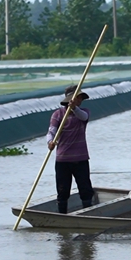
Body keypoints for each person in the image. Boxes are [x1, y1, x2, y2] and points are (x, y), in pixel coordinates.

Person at [48, 85, 94, 214]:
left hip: (81, 158)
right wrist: (50, 142)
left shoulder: (84, 112)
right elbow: (51, 131)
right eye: (78, 97)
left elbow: (83, 117)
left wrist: (74, 108)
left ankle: (88, 213)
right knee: (63, 190)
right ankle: (62, 214)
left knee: (85, 189)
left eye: (81, 98)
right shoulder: (58, 114)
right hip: (63, 159)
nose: (80, 100)